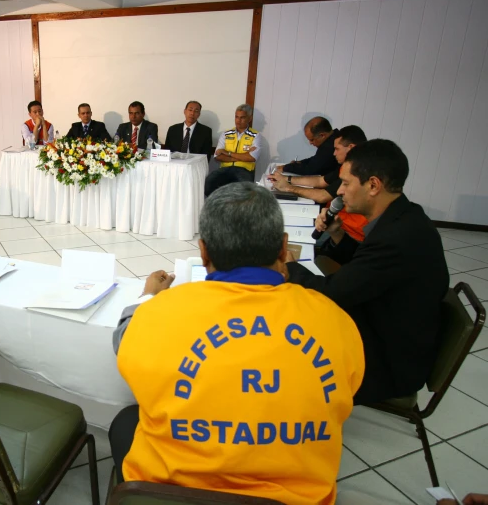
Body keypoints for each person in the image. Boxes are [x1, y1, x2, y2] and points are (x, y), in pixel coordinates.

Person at [110, 182, 365, 505]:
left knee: (125, 422)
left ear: (203, 251)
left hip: (170, 495)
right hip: (295, 499)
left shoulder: (159, 313)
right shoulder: (336, 321)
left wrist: (148, 297)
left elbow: (124, 340)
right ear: (283, 247)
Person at [287, 139, 449, 405]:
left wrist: (288, 266)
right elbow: (367, 267)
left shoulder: (398, 237)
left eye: (347, 183)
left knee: (286, 346)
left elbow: (333, 294)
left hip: (389, 362)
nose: (340, 191)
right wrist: (338, 235)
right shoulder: (404, 217)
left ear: (373, 185)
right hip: (387, 328)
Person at [269, 125, 368, 264]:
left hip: (348, 232)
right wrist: (288, 180)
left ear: (351, 147)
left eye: (337, 149)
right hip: (335, 224)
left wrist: (290, 188)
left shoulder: (357, 171)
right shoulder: (346, 166)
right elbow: (321, 181)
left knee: (284, 240)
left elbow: (324, 195)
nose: (334, 154)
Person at [207, 104, 264, 185]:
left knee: (241, 191)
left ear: (250, 118)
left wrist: (228, 153)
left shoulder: (255, 135)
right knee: (208, 185)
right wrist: (242, 156)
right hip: (225, 169)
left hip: (244, 170)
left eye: (242, 117)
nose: (238, 120)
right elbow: (218, 156)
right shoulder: (226, 134)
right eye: (236, 117)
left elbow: (252, 157)